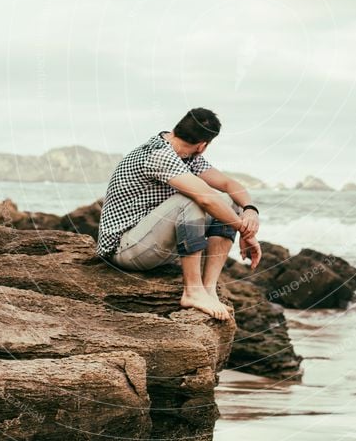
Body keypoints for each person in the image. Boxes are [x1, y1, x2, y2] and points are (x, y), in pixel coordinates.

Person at [96, 107, 262, 321]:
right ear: (203, 145)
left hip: (152, 243)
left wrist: (250, 210)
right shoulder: (157, 154)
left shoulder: (188, 156)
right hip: (123, 249)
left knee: (231, 202)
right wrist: (246, 233)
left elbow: (229, 184)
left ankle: (207, 289)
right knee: (191, 199)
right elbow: (205, 198)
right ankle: (192, 291)